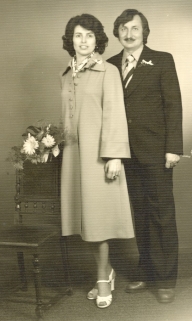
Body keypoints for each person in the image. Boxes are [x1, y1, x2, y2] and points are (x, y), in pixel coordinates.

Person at [107, 9, 183, 303]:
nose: (129, 33)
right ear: (117, 33)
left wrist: (173, 147)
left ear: (144, 32)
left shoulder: (162, 60)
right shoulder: (111, 65)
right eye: (123, 28)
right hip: (125, 154)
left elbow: (173, 106)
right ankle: (148, 271)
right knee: (139, 214)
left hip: (156, 151)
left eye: (134, 28)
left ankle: (165, 280)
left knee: (161, 215)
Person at [60, 13, 134, 308]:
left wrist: (114, 155)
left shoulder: (108, 71)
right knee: (84, 221)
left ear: (97, 40)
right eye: (78, 35)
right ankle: (106, 272)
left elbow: (114, 113)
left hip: (99, 157)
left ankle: (102, 277)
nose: (83, 41)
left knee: (98, 221)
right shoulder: (66, 73)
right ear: (70, 40)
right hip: (74, 157)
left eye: (89, 36)